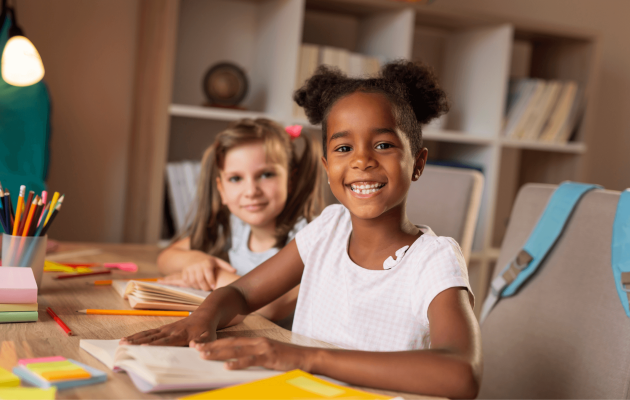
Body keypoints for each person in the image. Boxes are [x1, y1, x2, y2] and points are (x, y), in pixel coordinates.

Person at [122, 61, 482, 398]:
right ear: (327, 166)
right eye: (344, 148)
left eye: (383, 145)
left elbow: (462, 373)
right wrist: (201, 319)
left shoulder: (434, 259)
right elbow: (243, 294)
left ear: (417, 162)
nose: (361, 160)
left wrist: (305, 357)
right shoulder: (328, 228)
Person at [158, 118, 324, 323]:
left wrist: (212, 277)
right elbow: (166, 258)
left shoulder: (312, 234)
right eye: (236, 179)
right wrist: (196, 262)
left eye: (266, 174)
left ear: (290, 180)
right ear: (222, 190)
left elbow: (271, 306)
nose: (251, 191)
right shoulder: (235, 228)